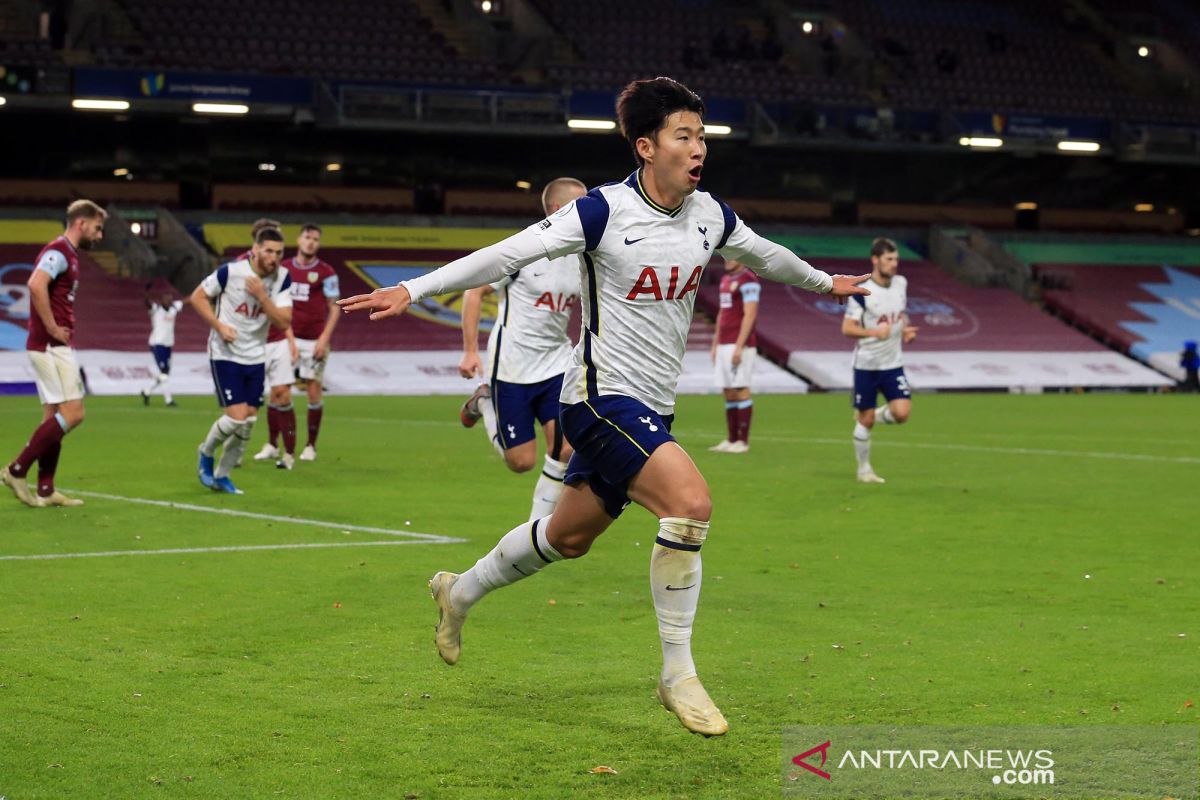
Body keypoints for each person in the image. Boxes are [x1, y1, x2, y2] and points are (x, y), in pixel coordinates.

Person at [339, 77, 868, 736]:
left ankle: (460, 590)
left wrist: (826, 281)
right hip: (595, 398)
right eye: (684, 135)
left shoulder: (710, 214)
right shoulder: (601, 212)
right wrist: (412, 288)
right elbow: (508, 253)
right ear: (646, 146)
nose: (698, 147)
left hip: (650, 408)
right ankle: (678, 674)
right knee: (691, 504)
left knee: (567, 538)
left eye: (701, 135)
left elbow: (764, 255)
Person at [458, 178, 586, 520]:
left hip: (557, 364)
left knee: (565, 449)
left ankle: (536, 531)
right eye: (582, 203)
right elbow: (473, 292)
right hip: (512, 366)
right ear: (560, 210)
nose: (590, 210)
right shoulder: (523, 250)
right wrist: (470, 351)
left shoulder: (583, 256)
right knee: (521, 462)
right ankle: (484, 402)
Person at [1, 199, 106, 508]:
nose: (99, 236)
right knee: (74, 414)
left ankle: (46, 489)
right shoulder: (58, 251)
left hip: (50, 344)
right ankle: (17, 469)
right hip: (51, 346)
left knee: (53, 418)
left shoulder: (68, 254)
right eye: (97, 229)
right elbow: (35, 284)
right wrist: (52, 326)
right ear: (81, 223)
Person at [191, 227, 292, 494]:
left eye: (279, 252)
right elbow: (197, 297)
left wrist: (262, 297)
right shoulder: (230, 271)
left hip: (256, 356)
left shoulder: (282, 278)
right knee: (235, 419)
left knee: (247, 420)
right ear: (256, 249)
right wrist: (218, 326)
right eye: (269, 250)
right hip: (226, 353)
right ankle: (206, 452)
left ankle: (222, 476)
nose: (274, 257)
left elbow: (283, 320)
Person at [255, 223, 339, 467]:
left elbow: (334, 308)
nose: (311, 242)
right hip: (286, 336)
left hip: (314, 340)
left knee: (313, 390)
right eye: (307, 237)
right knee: (278, 391)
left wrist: (324, 338)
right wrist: (287, 335)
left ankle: (310, 446)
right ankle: (272, 444)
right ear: (299, 240)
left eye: (315, 239)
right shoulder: (285, 269)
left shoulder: (326, 272)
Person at [841, 237, 918, 484]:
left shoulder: (901, 283)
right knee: (866, 420)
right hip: (867, 364)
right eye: (889, 259)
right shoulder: (862, 292)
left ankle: (872, 413)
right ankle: (864, 470)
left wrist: (904, 329)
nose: (894, 264)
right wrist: (875, 332)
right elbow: (847, 328)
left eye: (896, 259)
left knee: (902, 413)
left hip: (893, 363)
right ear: (875, 260)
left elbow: (900, 312)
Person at [708, 257, 760, 453]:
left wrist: (739, 345)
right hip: (724, 343)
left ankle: (743, 442)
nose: (728, 259)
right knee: (728, 391)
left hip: (740, 344)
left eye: (733, 256)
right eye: (726, 256)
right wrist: (715, 343)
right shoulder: (725, 280)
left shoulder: (749, 280)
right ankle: (731, 439)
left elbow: (750, 314)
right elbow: (722, 313)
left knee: (740, 388)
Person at [140, 288, 185, 407]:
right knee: (164, 372)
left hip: (168, 344)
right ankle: (168, 400)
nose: (169, 301)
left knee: (164, 374)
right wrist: (146, 293)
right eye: (167, 298)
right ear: (162, 299)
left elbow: (187, 301)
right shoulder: (156, 309)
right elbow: (147, 303)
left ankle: (146, 391)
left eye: (171, 299)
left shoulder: (174, 308)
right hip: (157, 344)